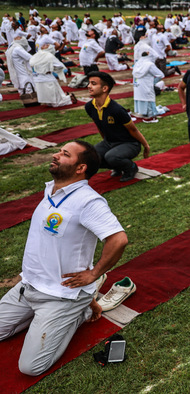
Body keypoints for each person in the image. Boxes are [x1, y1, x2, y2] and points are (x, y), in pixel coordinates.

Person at [0, 140, 128, 376]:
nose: (56, 155)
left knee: (30, 367)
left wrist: (93, 274)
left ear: (80, 168)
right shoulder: (51, 188)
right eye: (59, 151)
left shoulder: (89, 201)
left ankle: (79, 311)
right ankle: (79, 304)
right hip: (28, 286)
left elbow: (118, 239)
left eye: (65, 154)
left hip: (61, 296)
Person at [85, 71, 151, 182]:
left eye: (93, 83)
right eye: (89, 83)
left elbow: (133, 130)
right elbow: (100, 126)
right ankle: (118, 166)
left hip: (129, 143)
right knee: (90, 157)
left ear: (105, 88)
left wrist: (145, 146)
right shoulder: (89, 107)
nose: (89, 86)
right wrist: (106, 142)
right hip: (110, 142)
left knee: (111, 157)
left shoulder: (117, 110)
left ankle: (131, 168)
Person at [132, 50, 164, 123]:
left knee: (141, 97)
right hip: (146, 85)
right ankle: (151, 116)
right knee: (148, 98)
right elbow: (161, 74)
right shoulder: (149, 64)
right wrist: (153, 80)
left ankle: (144, 112)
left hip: (137, 85)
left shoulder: (137, 63)